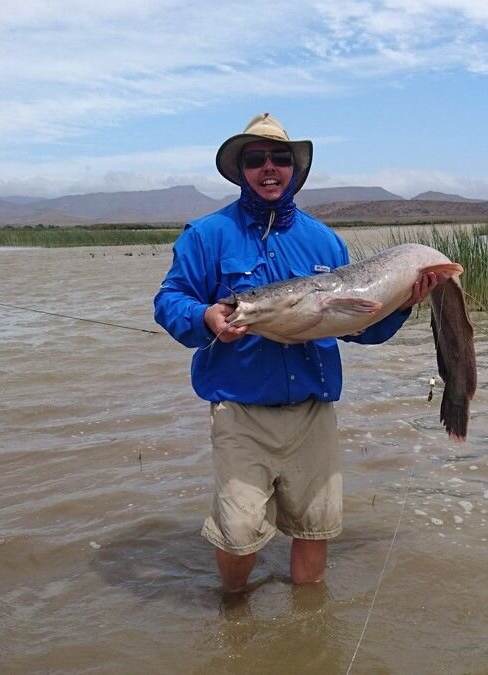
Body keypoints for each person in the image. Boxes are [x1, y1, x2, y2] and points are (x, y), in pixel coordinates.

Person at [154, 113, 437, 592]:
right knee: (238, 534)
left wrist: (405, 304)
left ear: (294, 168)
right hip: (240, 411)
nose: (269, 167)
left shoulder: (324, 240)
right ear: (240, 169)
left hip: (312, 410)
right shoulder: (206, 235)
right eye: (256, 158)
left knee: (315, 527)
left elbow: (358, 329)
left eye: (280, 158)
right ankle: (234, 611)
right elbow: (169, 300)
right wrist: (205, 318)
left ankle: (306, 628)